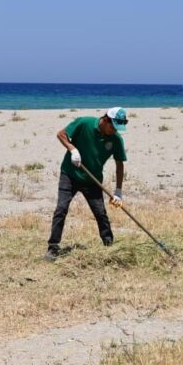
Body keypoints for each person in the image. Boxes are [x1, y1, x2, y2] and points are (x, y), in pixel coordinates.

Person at [46, 107, 128, 261]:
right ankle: (53, 248)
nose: (114, 131)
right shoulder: (84, 123)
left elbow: (119, 165)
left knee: (100, 213)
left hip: (93, 180)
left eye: (117, 128)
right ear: (105, 120)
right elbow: (61, 134)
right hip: (70, 175)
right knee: (61, 209)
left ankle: (109, 245)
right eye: (113, 127)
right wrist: (72, 149)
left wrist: (118, 191)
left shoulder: (116, 139)